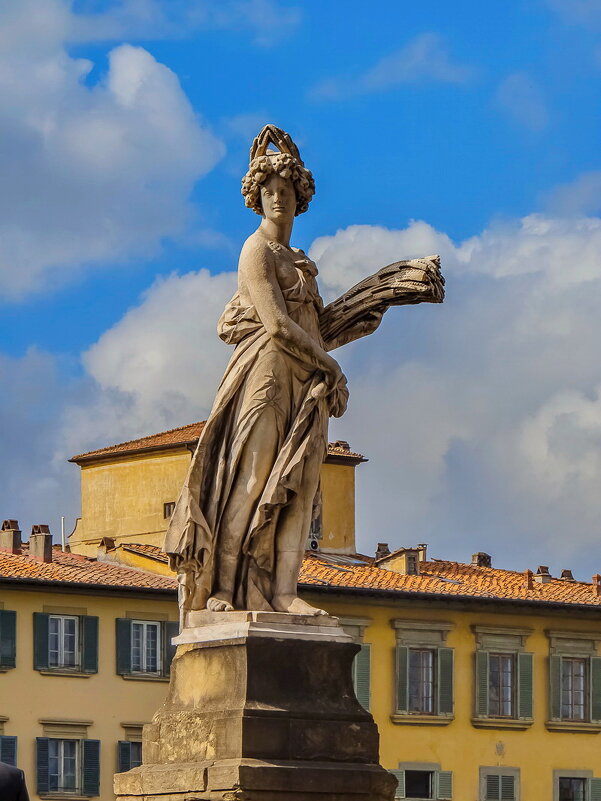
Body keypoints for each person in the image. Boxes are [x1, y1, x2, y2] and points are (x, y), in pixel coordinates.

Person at [164, 125, 382, 619]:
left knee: (299, 486)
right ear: (257, 198)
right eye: (269, 192)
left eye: (286, 191)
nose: (278, 199)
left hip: (308, 380)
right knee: (253, 477)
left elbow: (313, 328)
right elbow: (279, 325)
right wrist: (332, 367)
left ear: (300, 197)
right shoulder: (255, 251)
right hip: (266, 373)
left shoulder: (299, 259)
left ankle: (284, 591)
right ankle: (222, 587)